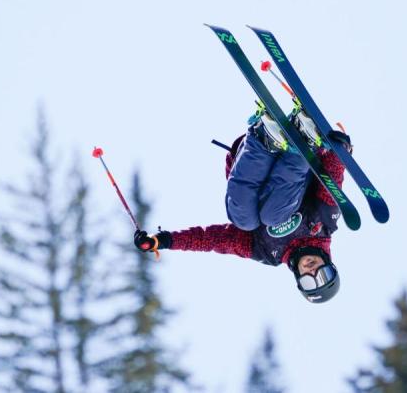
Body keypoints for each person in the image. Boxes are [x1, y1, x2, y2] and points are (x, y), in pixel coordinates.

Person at [133, 105, 351, 303]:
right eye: (324, 275)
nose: (312, 273)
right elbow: (332, 181)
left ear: (298, 278)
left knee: (243, 221)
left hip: (250, 160)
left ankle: (265, 138)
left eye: (309, 283)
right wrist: (340, 152)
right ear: (329, 264)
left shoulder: (267, 251)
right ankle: (304, 141)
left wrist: (165, 240)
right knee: (272, 216)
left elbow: (214, 240)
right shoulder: (324, 224)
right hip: (295, 161)